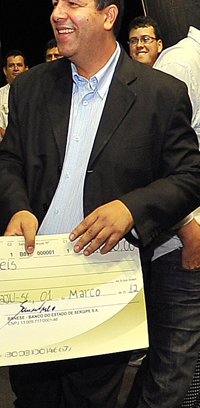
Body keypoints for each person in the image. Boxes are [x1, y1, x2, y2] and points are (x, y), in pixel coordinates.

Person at [0, 0, 200, 408]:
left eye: (72, 3)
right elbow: (7, 161)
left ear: (107, 15)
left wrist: (132, 209)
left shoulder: (161, 94)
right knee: (31, 397)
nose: (57, 14)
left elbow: (189, 175)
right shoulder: (30, 88)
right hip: (34, 279)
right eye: (54, 3)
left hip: (106, 282)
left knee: (90, 399)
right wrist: (17, 208)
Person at [133, 26, 200, 408]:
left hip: (186, 236)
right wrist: (188, 230)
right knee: (174, 369)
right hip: (180, 242)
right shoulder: (181, 63)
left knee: (177, 365)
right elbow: (150, 156)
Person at [0, 50, 27, 139]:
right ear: (5, 71)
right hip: (8, 143)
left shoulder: (36, 92)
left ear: (26, 69)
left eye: (19, 65)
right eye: (11, 65)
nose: (15, 68)